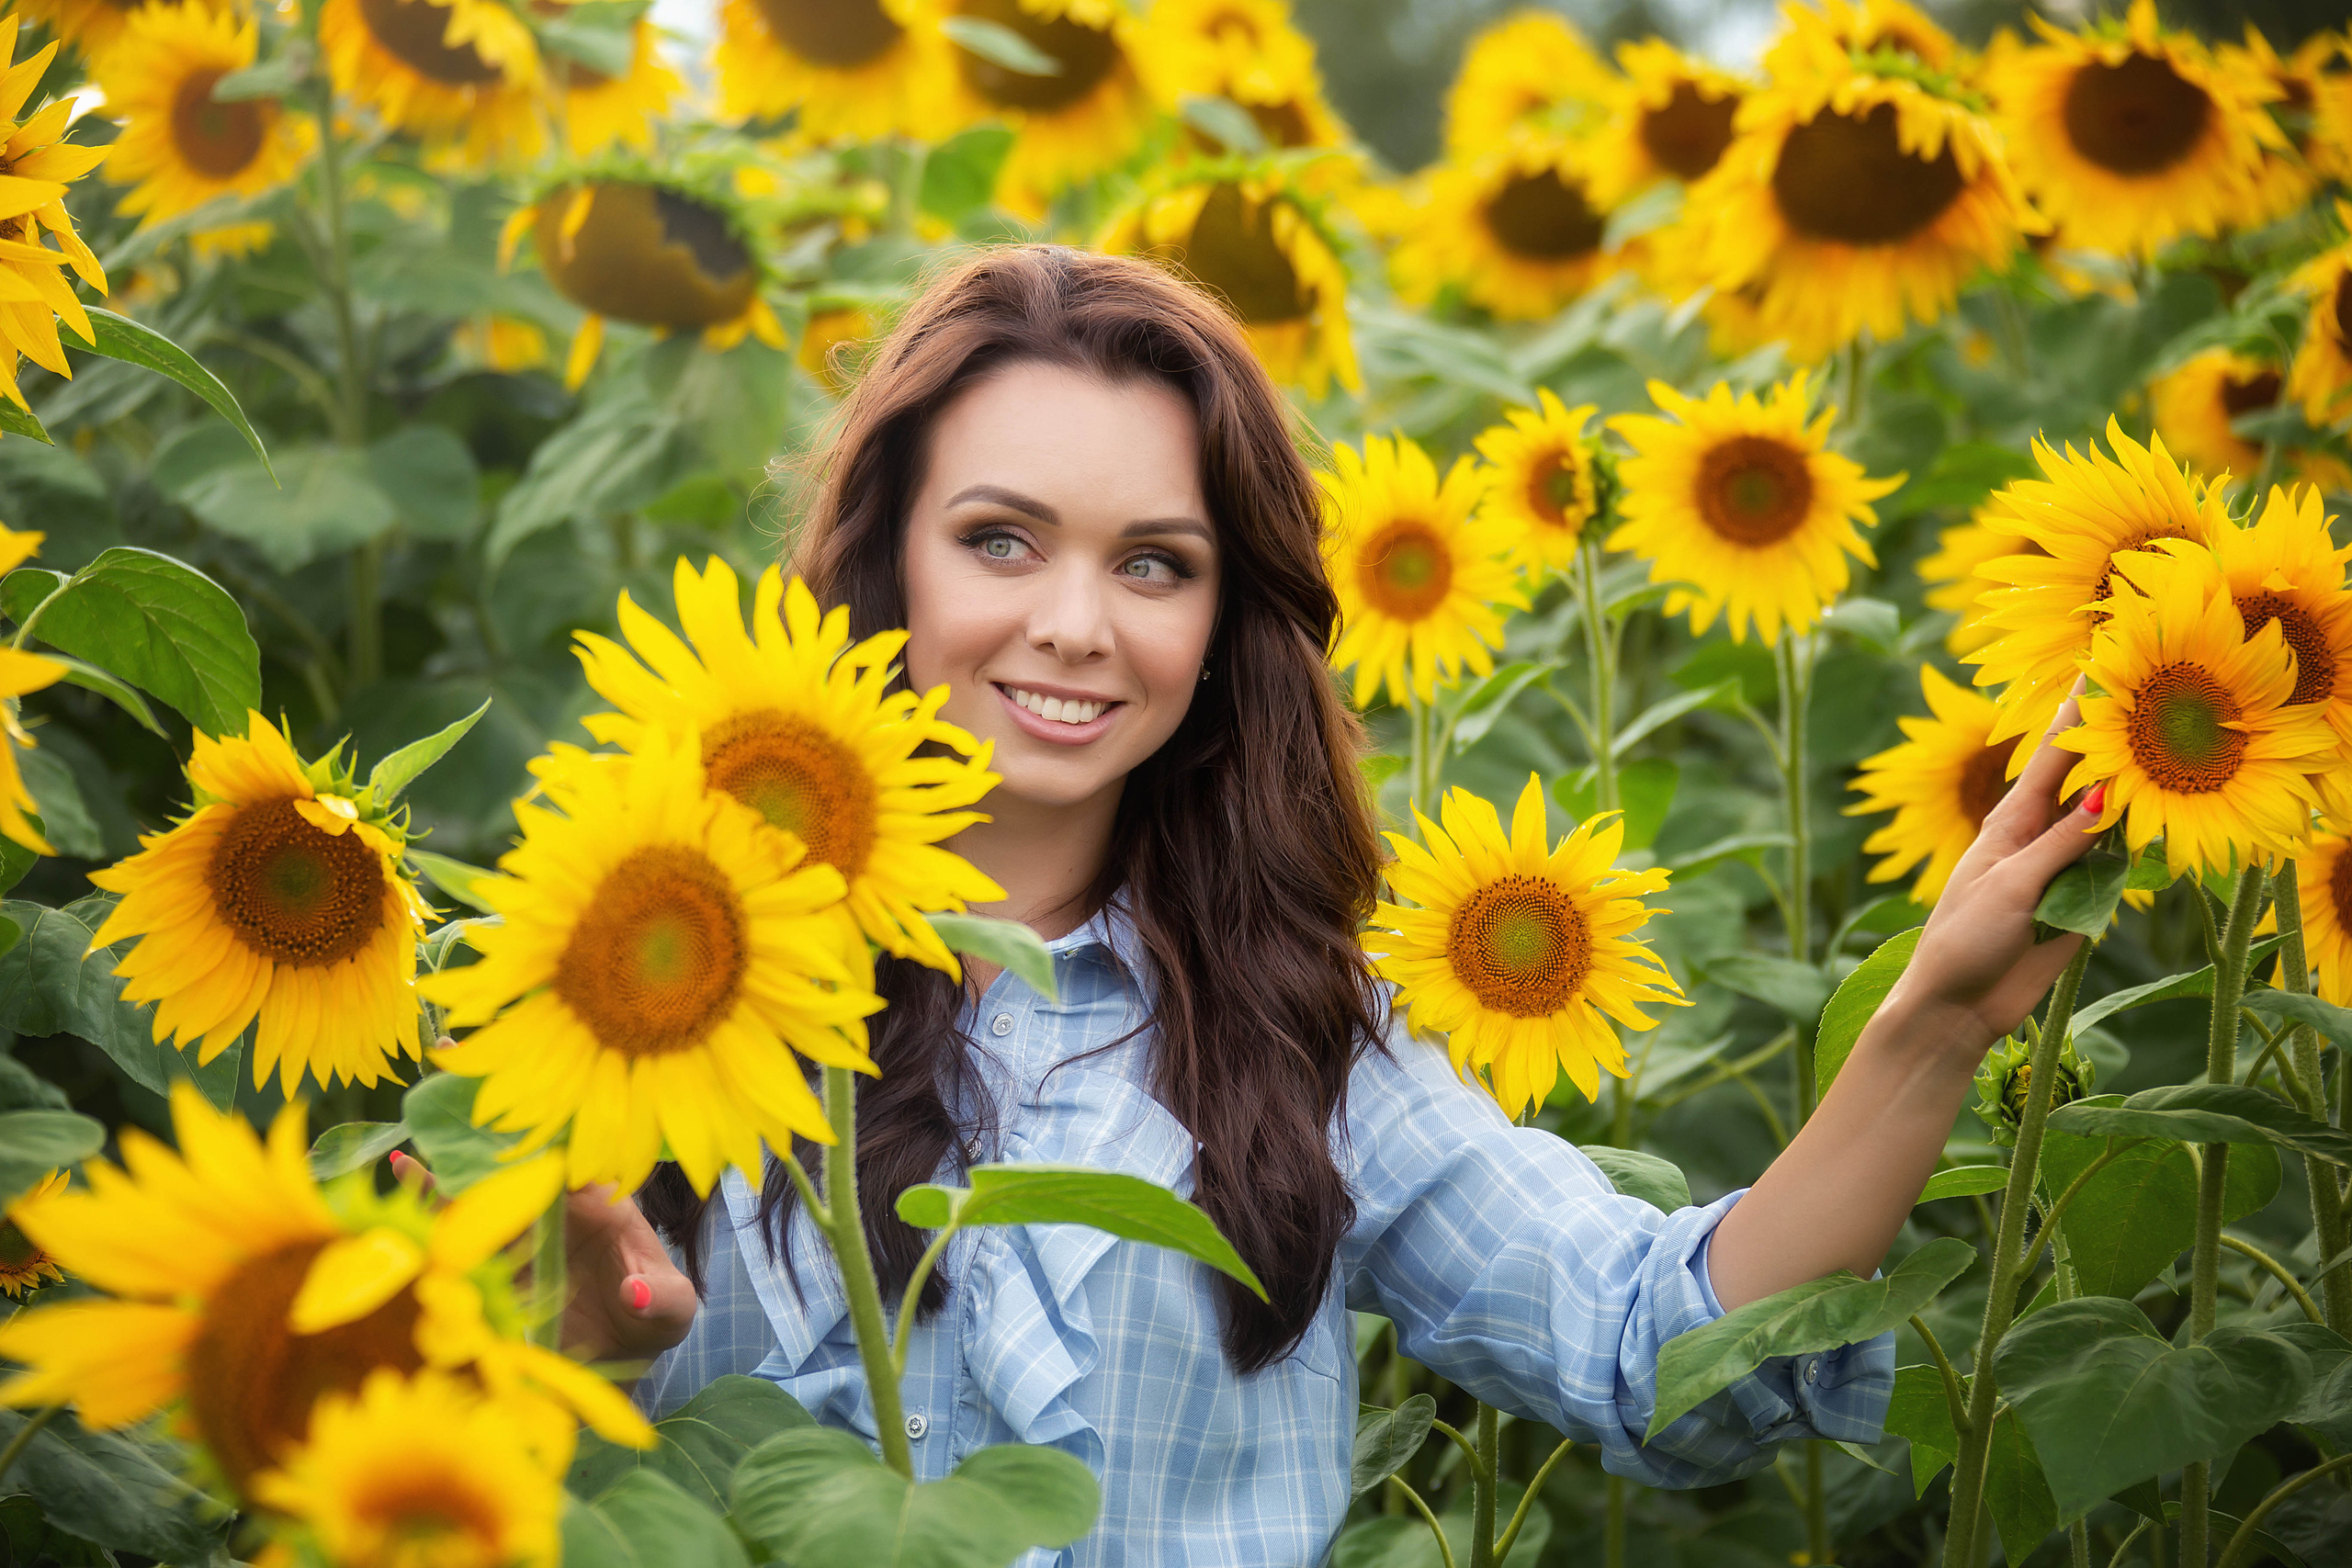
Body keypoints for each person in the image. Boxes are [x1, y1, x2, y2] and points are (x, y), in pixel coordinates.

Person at [548, 245, 2101, 1564]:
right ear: (888, 556)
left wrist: (1931, 1028)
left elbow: (1664, 1357)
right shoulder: (651, 973)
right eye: (1000, 540)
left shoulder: (1292, 1040)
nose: (1075, 625)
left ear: (1230, 623)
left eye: (1156, 564)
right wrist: (572, 1370)